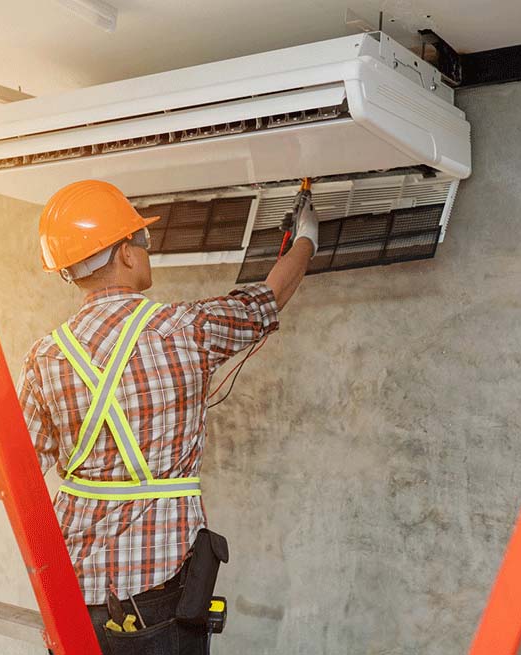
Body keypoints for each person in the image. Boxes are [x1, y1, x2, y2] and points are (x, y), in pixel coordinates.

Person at [18, 179, 316, 654]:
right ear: (127, 254)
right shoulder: (185, 329)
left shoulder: (45, 357)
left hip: (72, 592)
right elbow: (268, 299)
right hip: (156, 593)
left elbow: (22, 474)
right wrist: (306, 238)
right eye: (144, 240)